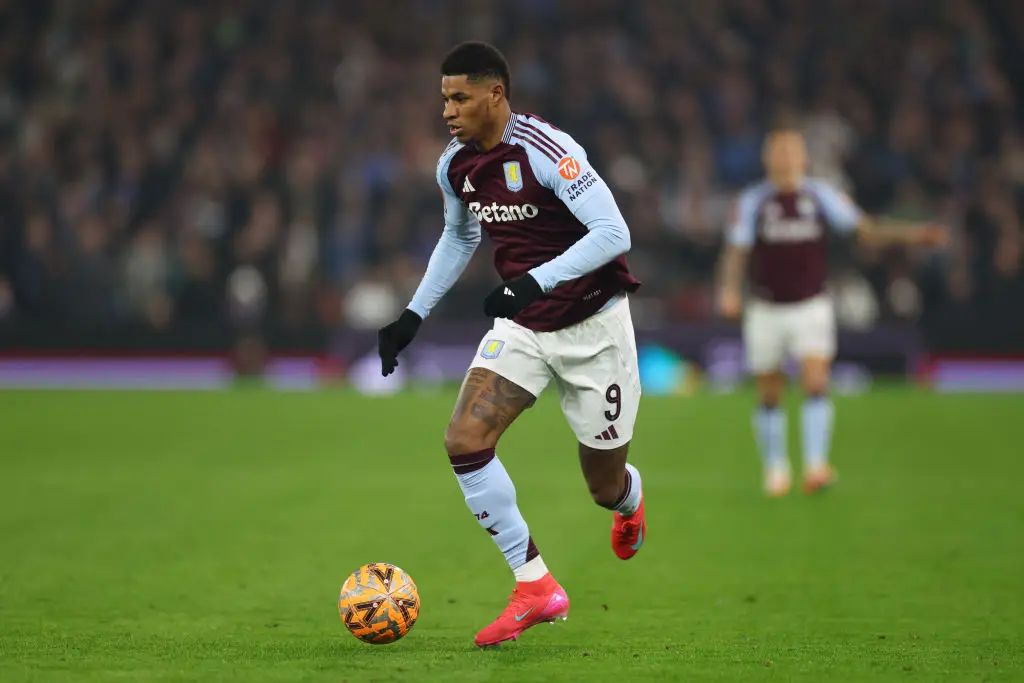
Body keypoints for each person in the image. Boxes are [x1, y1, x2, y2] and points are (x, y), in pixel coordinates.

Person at [376, 41, 646, 647]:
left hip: (593, 328)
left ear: (495, 95)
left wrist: (534, 280)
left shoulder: (548, 151)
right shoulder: (455, 165)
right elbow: (457, 236)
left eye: (460, 98)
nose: (448, 110)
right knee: (464, 440)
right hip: (523, 327)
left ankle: (631, 501)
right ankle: (535, 585)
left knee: (603, 486)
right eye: (444, 98)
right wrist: (412, 316)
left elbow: (613, 231)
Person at [718, 124, 947, 497]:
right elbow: (737, 250)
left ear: (803, 157)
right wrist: (728, 290)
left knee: (815, 381)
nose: (786, 157)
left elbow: (865, 230)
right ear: (767, 158)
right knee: (770, 391)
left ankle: (815, 465)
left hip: (811, 305)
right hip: (766, 308)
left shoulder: (821, 196)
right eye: (778, 150)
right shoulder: (752, 202)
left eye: (792, 150)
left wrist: (915, 235)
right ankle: (776, 468)